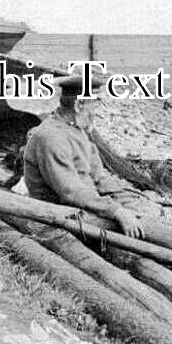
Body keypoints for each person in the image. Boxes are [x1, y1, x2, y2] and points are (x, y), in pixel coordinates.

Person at [23, 75, 144, 239]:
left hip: (89, 207)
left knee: (143, 221)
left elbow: (99, 177)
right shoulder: (50, 137)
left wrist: (128, 204)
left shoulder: (77, 130)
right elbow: (71, 191)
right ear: (79, 105)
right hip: (60, 218)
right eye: (93, 106)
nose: (96, 113)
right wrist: (116, 211)